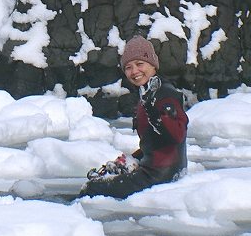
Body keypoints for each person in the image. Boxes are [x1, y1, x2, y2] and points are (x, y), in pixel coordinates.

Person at [79, 35, 188, 199]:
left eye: (139, 64)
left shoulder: (165, 94)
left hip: (161, 174)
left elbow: (177, 135)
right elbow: (154, 143)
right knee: (99, 180)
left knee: (91, 189)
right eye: (128, 67)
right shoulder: (148, 93)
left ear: (153, 65)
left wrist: (155, 113)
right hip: (156, 169)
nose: (134, 71)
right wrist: (132, 158)